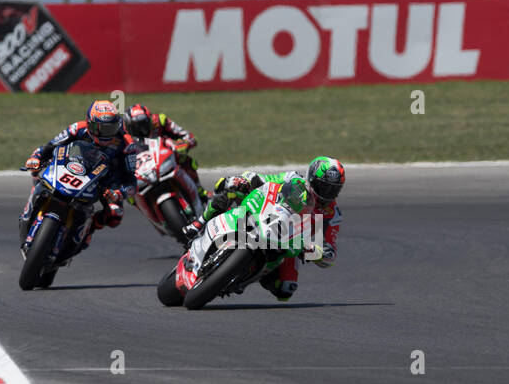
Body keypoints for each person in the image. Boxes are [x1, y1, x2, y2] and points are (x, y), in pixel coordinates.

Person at [183, 156, 345, 302]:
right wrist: (245, 180)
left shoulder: (332, 214)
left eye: (333, 189)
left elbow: (330, 248)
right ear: (311, 178)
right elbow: (263, 179)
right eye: (323, 186)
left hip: (293, 240)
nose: (327, 193)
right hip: (266, 214)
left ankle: (245, 275)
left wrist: (320, 251)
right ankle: (200, 222)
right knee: (230, 188)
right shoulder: (294, 179)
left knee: (285, 289)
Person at [18, 99, 136, 250]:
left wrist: (119, 193)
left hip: (107, 181)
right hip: (75, 166)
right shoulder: (77, 128)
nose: (105, 134)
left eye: (110, 129)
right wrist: (36, 158)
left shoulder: (127, 144)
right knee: (38, 174)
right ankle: (31, 210)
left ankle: (87, 230)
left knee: (115, 215)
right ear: (89, 123)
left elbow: (131, 181)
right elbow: (50, 146)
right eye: (100, 128)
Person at [123, 103, 207, 202]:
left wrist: (184, 144)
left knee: (185, 159)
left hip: (164, 156)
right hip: (142, 167)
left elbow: (188, 137)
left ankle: (199, 191)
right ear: (128, 127)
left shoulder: (160, 120)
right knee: (129, 194)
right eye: (136, 127)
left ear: (149, 119)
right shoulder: (124, 136)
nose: (141, 129)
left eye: (144, 124)